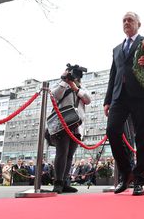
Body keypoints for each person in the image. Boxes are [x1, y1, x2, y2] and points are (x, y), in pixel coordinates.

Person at [104, 11, 144, 196]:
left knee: (142, 137)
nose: (126, 22)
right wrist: (107, 100)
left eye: (130, 20)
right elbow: (113, 75)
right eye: (124, 20)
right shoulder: (116, 49)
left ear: (139, 23)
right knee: (112, 131)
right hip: (119, 97)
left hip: (141, 94)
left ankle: (139, 179)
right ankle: (126, 172)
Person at [50, 65, 91, 194]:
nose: (75, 77)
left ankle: (65, 182)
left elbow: (88, 100)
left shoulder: (81, 88)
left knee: (69, 155)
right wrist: (64, 80)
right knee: (62, 153)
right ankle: (58, 182)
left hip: (77, 126)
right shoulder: (61, 85)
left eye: (77, 76)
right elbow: (55, 95)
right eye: (73, 75)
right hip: (62, 124)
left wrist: (75, 88)